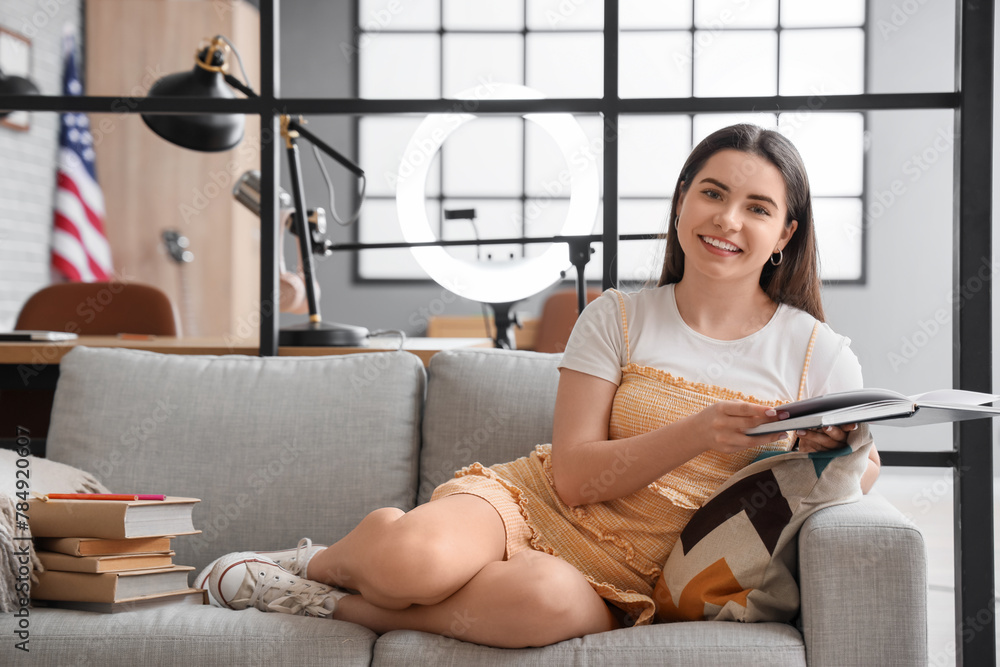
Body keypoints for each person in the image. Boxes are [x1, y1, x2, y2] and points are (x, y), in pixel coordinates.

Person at [201, 123, 881, 647]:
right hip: (531, 504)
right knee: (413, 559)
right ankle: (320, 562)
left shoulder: (817, 351)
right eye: (712, 192)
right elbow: (574, 480)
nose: (728, 220)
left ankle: (323, 601)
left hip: (629, 576)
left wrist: (835, 446)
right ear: (681, 202)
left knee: (544, 606)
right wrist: (700, 431)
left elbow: (860, 468)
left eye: (757, 207)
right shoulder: (617, 315)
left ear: (784, 233)